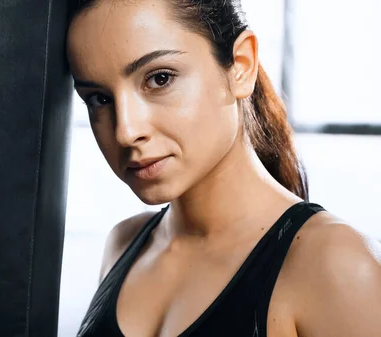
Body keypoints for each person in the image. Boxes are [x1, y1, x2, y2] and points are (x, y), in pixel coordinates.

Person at [66, 0, 381, 336]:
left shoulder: (335, 266)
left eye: (159, 79)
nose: (126, 131)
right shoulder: (123, 244)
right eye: (99, 99)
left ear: (241, 66)